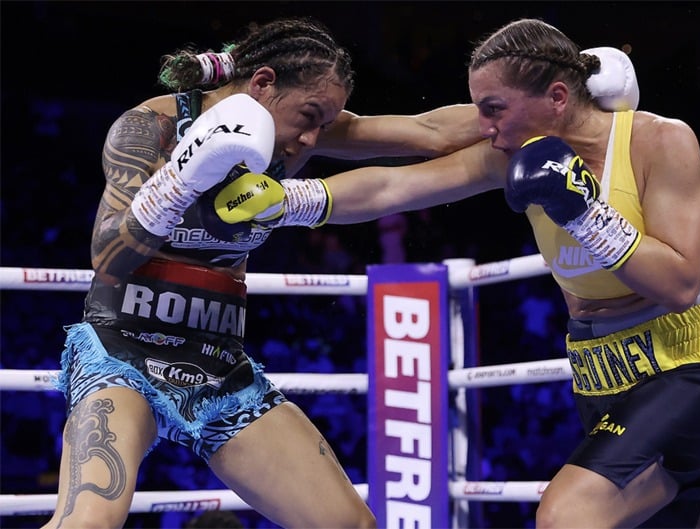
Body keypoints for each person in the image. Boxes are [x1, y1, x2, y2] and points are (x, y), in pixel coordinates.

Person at [43, 16, 492, 529]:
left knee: (351, 526)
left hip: (219, 365)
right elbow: (107, 255)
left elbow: (430, 133)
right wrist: (184, 178)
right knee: (88, 523)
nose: (311, 139)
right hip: (122, 352)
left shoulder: (298, 135)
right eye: (309, 115)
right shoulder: (153, 126)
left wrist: (548, 102)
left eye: (325, 123)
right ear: (262, 83)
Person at [309, 17, 700, 529]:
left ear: (558, 97)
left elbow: (678, 283)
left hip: (686, 374)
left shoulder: (659, 141)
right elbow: (393, 188)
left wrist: (585, 213)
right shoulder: (513, 155)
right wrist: (288, 201)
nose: (484, 127)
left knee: (566, 514)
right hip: (601, 381)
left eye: (494, 110)